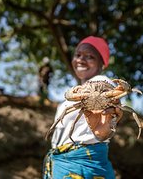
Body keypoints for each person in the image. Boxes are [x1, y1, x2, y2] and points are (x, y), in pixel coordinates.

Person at [43, 36, 122, 179]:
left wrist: (108, 126)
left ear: (102, 64)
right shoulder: (72, 95)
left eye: (90, 56)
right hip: (60, 165)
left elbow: (112, 106)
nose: (80, 59)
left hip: (85, 166)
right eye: (77, 55)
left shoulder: (102, 81)